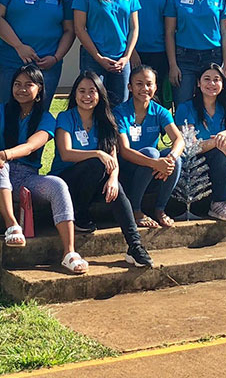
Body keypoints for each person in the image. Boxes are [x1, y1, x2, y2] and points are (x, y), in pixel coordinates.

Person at [0, 65, 88, 274]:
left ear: (39, 90)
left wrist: (4, 154)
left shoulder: (46, 119)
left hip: (26, 177)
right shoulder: (0, 111)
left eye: (28, 85)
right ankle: (12, 225)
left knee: (57, 185)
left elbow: (31, 146)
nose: (22, 89)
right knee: (0, 168)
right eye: (17, 84)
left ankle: (69, 252)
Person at [51, 71, 154, 267]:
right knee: (98, 163)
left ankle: (135, 246)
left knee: (116, 187)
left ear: (100, 95)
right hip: (66, 183)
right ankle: (80, 213)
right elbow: (66, 153)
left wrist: (114, 179)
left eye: (92, 91)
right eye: (82, 91)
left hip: (95, 182)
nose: (87, 96)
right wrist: (97, 154)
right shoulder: (65, 117)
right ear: (74, 94)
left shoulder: (105, 122)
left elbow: (112, 159)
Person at [174, 64, 226, 222]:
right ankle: (218, 202)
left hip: (224, 159)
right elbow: (191, 146)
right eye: (207, 79)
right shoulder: (186, 108)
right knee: (224, 149)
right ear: (198, 83)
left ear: (223, 84)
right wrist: (217, 142)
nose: (212, 84)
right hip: (197, 162)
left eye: (216, 80)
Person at [113, 65, 184, 228]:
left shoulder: (160, 112)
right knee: (152, 153)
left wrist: (170, 159)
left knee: (175, 160)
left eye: (149, 84)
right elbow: (124, 151)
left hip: (152, 171)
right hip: (128, 169)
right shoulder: (120, 113)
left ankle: (160, 209)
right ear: (129, 87)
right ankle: (135, 209)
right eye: (139, 84)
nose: (144, 88)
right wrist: (155, 163)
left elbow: (179, 139)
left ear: (155, 87)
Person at [73, 0, 140, 106]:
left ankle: (117, 134)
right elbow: (80, 28)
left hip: (121, 61)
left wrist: (126, 57)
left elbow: (134, 28)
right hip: (94, 59)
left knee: (121, 105)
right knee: (93, 104)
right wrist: (98, 57)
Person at [164, 0, 226, 106]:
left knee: (214, 105)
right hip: (184, 58)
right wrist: (173, 65)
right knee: (183, 105)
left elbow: (225, 33)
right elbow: (169, 33)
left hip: (213, 57)